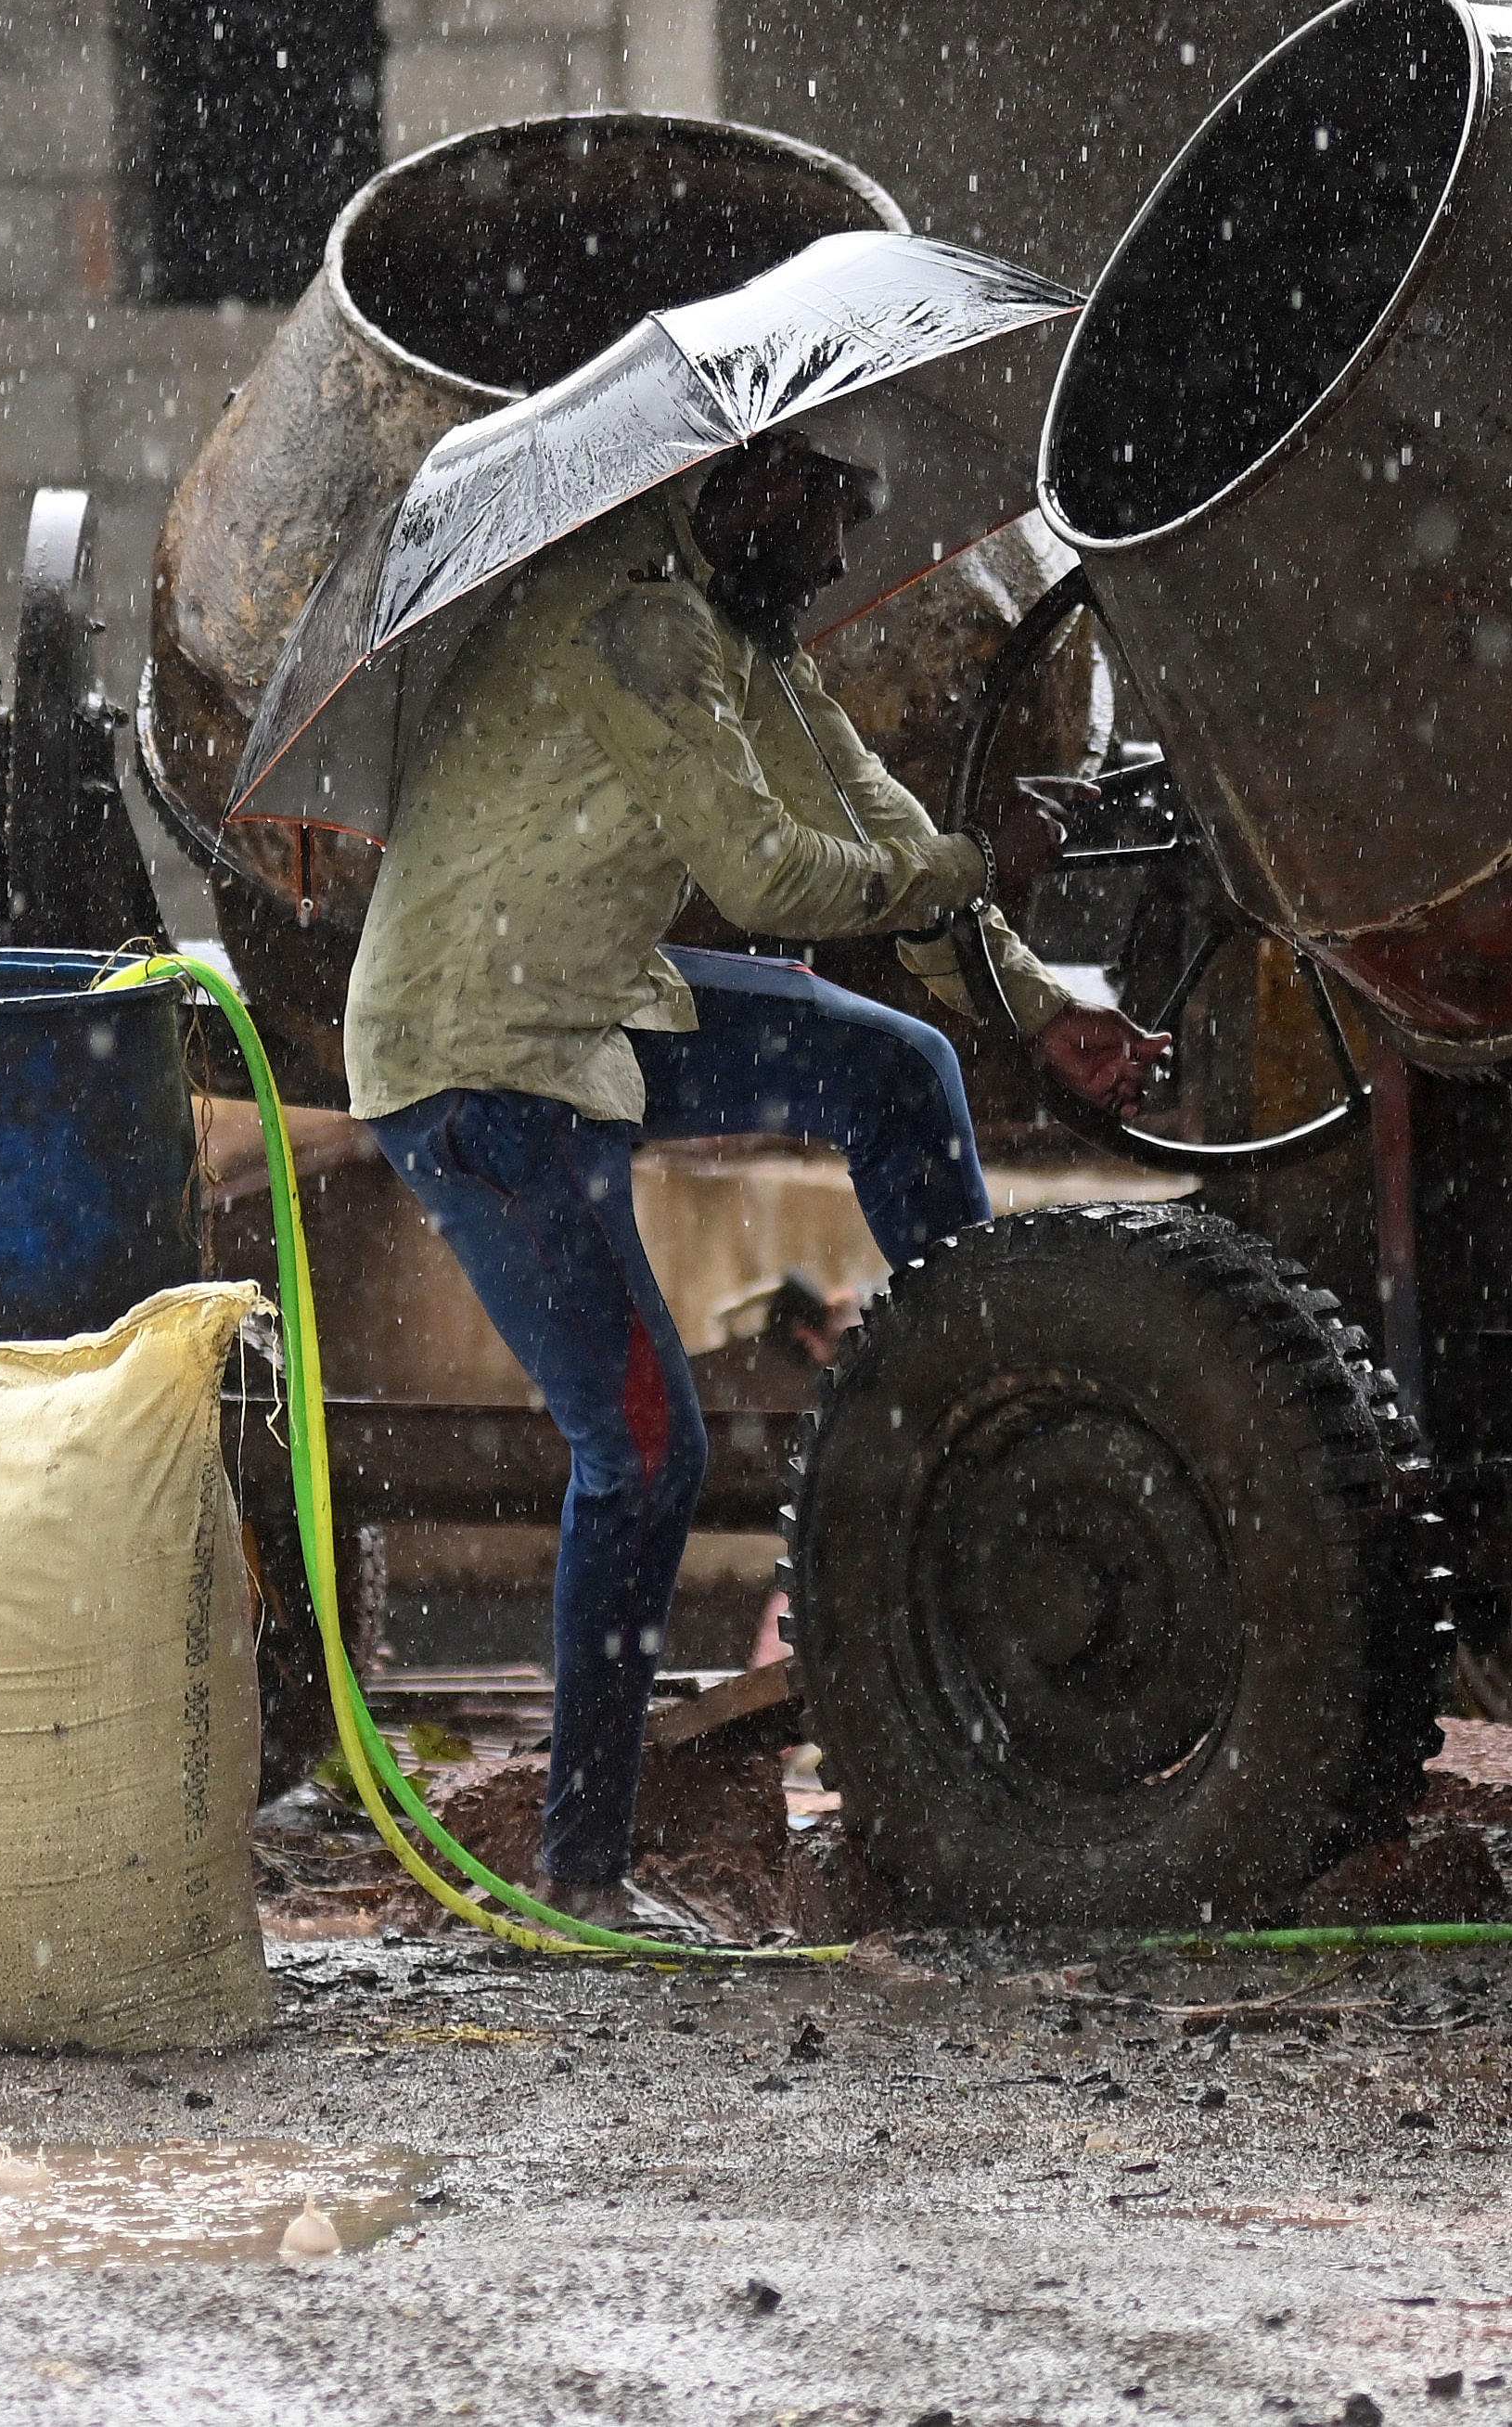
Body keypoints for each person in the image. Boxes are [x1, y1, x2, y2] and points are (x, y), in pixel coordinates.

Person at [341, 427, 1169, 1927]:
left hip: (589, 999)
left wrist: (1044, 1005)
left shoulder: (738, 628)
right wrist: (983, 867)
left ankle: (974, 1430)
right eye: (834, 510)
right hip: (479, 1058)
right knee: (642, 1445)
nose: (845, 552)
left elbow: (882, 838)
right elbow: (781, 879)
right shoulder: (640, 625)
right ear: (753, 480)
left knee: (891, 1067)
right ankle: (580, 1867)